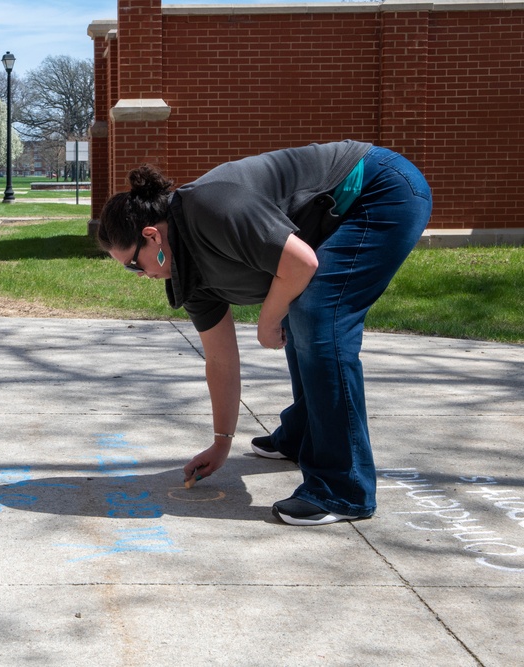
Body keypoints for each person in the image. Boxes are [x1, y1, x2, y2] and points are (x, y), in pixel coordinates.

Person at [98, 140, 431, 526]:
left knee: (317, 315)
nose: (141, 275)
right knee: (298, 305)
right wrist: (221, 444)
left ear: (152, 236)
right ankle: (303, 434)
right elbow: (220, 360)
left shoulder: (211, 208)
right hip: (334, 218)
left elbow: (301, 264)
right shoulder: (189, 275)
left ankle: (343, 490)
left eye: (133, 265)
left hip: (378, 187)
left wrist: (267, 322)